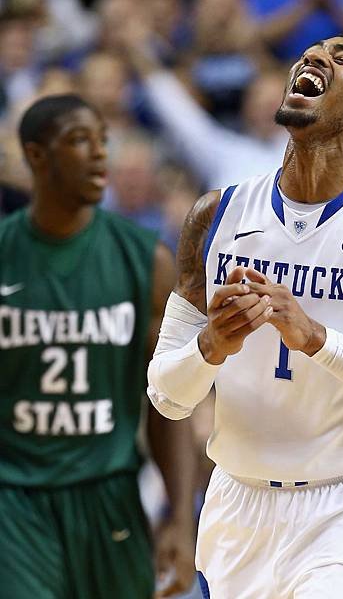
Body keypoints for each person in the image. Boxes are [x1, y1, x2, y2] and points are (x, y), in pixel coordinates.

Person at [148, 35, 343, 598]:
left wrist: (318, 339)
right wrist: (211, 349)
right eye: (311, 53)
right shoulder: (216, 216)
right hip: (237, 503)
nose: (315, 58)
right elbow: (167, 395)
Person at [0, 94, 196, 599]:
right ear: (37, 156)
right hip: (14, 496)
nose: (99, 154)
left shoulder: (144, 261)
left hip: (110, 494)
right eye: (79, 141)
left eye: (102, 141)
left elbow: (167, 400)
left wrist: (179, 514)